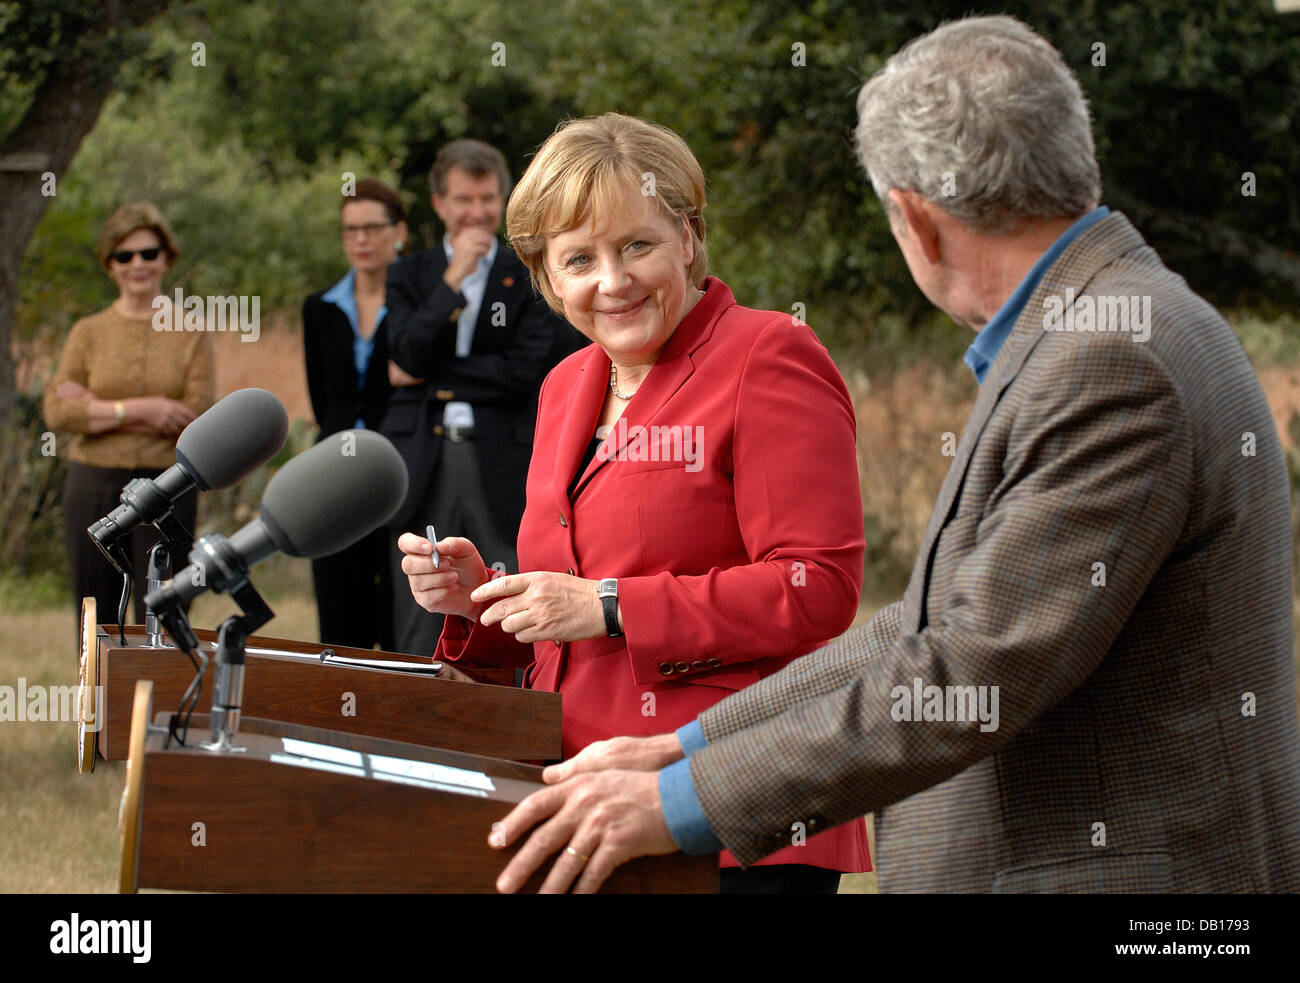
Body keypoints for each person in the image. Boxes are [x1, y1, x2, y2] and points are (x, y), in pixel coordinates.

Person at [485, 16, 1300, 894]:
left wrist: (684, 800)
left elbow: (972, 669)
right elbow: (924, 625)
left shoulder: (1106, 356)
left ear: (915, 218)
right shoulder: (1110, 321)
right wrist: (688, 746)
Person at [399, 113, 873, 893]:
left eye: (637, 245)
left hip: (730, 806)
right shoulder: (564, 386)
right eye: (579, 258)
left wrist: (612, 604)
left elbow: (818, 587)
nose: (612, 281)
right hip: (578, 799)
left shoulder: (769, 354)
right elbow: (573, 631)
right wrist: (481, 604)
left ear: (687, 237)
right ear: (549, 279)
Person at [382, 139, 577, 655]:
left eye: (488, 198)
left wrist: (432, 377)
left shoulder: (529, 273)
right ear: (440, 204)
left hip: (504, 453)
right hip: (426, 452)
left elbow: (526, 370)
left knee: (506, 580)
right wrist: (453, 281)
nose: (477, 212)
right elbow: (404, 351)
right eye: (464, 200)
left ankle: (510, 707)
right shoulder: (410, 274)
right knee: (426, 585)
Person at [44, 201, 215, 628]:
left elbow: (196, 418)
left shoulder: (191, 332)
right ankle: (99, 697)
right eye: (125, 255)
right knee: (95, 614)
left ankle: (160, 696)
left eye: (148, 253)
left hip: (168, 484)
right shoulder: (88, 332)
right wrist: (145, 410)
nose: (137, 264)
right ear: (110, 264)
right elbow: (58, 411)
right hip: (93, 482)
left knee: (165, 607)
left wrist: (96, 408)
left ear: (166, 258)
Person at [302, 178, 407, 649]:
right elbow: (323, 399)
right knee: (340, 605)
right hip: (335, 472)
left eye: (371, 228)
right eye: (350, 231)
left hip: (405, 465)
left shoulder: (420, 305)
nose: (360, 240)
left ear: (398, 232)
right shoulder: (319, 308)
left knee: (401, 607)